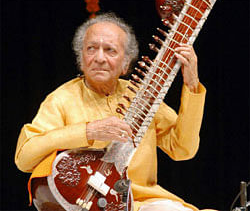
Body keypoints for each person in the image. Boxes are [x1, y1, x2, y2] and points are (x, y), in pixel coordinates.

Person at [15, 13, 212, 211]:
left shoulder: (143, 96)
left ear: (126, 64)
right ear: (81, 58)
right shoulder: (62, 99)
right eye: (91, 49)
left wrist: (192, 85)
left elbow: (183, 149)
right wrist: (87, 131)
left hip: (143, 202)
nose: (99, 58)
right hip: (85, 204)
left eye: (110, 50)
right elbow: (24, 158)